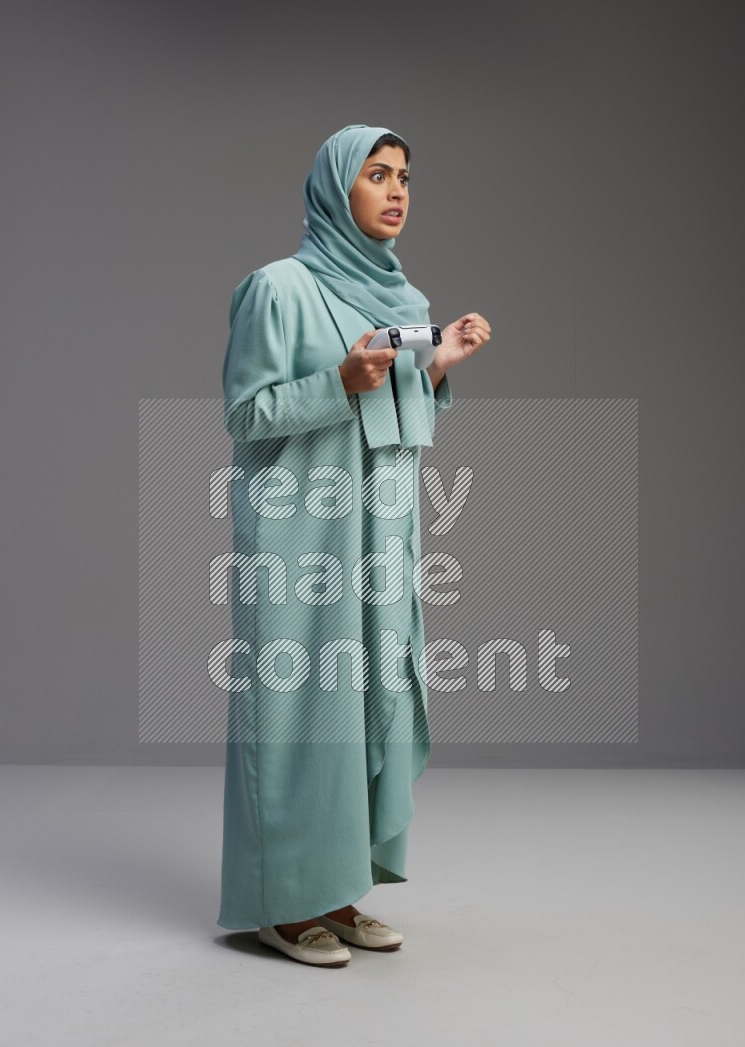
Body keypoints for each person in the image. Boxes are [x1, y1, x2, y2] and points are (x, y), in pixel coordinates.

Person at [217, 124, 491, 967]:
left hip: (379, 535)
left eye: (404, 175)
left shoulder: (404, 301)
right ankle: (280, 904)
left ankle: (335, 891)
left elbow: (396, 423)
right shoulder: (278, 288)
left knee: (365, 701)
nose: (397, 190)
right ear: (338, 189)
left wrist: (435, 366)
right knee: (298, 715)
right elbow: (245, 414)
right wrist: (335, 382)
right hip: (301, 535)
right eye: (377, 174)